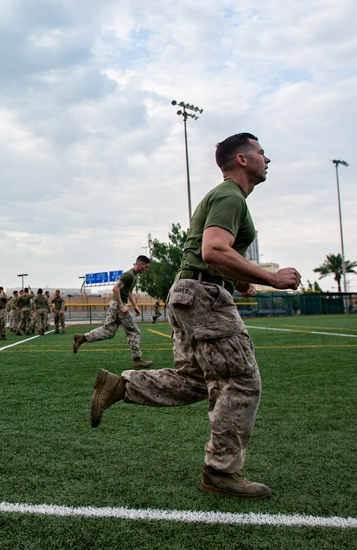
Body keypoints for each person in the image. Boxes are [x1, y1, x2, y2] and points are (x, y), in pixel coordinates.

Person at [86, 132, 301, 499]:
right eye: (262, 153)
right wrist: (271, 278)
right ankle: (220, 472)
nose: (268, 159)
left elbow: (213, 255)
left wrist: (242, 280)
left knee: (198, 380)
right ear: (243, 160)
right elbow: (214, 249)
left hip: (189, 291)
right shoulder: (230, 196)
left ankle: (122, 385)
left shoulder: (227, 198)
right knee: (240, 381)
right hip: (203, 296)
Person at [73, 256, 154, 368]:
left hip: (116, 305)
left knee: (108, 332)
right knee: (134, 331)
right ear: (140, 264)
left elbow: (129, 292)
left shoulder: (134, 277)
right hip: (118, 305)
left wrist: (135, 306)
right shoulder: (128, 275)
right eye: (146, 266)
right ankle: (137, 359)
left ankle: (82, 338)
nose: (147, 269)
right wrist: (121, 305)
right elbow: (115, 289)